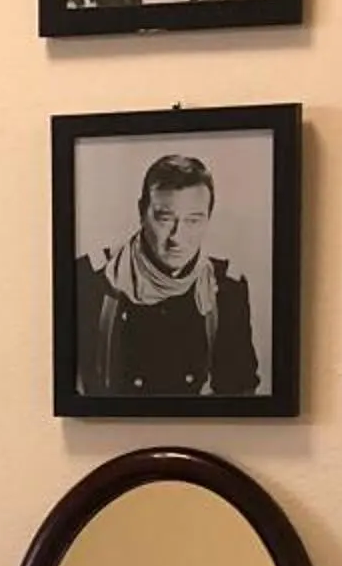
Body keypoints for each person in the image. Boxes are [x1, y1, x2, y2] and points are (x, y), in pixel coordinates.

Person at [76, 154, 259, 399]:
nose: (177, 236)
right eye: (165, 219)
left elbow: (239, 393)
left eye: (193, 220)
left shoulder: (227, 288)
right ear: (142, 212)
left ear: (208, 219)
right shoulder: (91, 279)